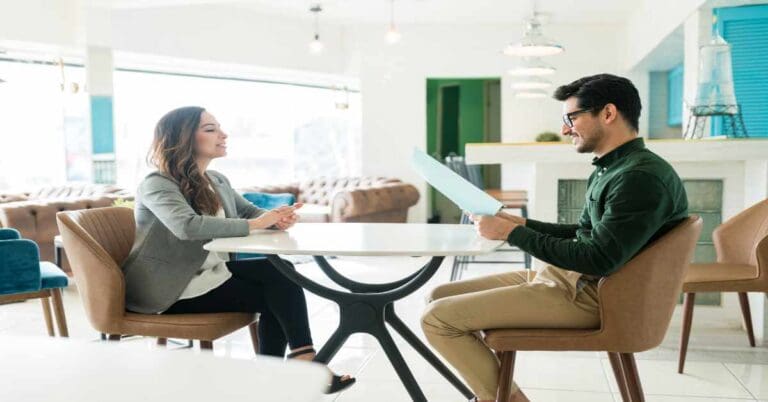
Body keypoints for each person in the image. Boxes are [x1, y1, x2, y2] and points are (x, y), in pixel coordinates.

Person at [421, 74, 689, 402]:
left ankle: (507, 399)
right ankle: (494, 390)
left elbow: (599, 258)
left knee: (437, 319)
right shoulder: (617, 168)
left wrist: (511, 233)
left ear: (608, 113)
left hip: (594, 296)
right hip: (577, 283)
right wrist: (522, 223)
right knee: (439, 295)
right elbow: (584, 235)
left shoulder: (638, 178)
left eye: (571, 118)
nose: (565, 129)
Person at [121, 106, 354, 393]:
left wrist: (276, 220)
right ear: (183, 139)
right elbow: (187, 226)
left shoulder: (216, 180)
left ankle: (285, 367)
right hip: (169, 288)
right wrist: (258, 223)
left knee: (280, 274)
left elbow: (248, 213)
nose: (223, 134)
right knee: (277, 292)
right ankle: (295, 365)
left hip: (207, 274)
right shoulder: (157, 183)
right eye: (211, 129)